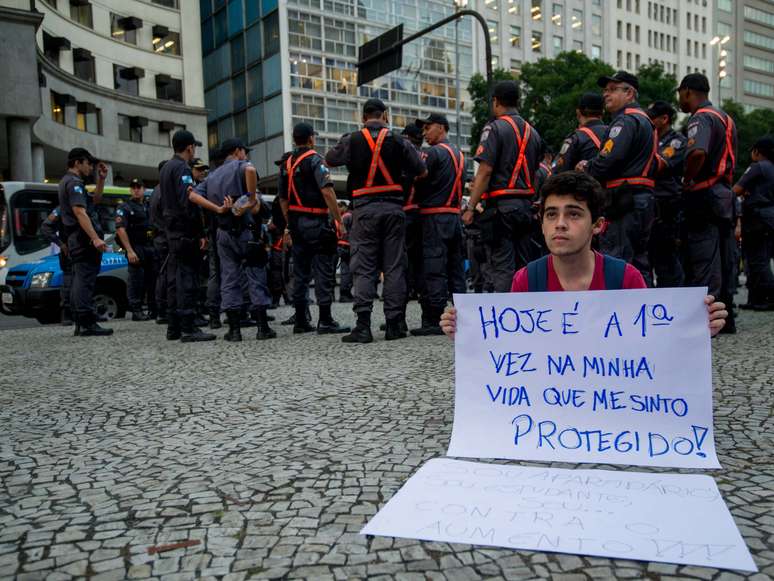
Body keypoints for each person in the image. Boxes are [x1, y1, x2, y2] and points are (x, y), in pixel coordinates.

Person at [441, 172, 728, 338]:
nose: (561, 224)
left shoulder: (625, 279)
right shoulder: (526, 281)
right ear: (541, 224)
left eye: (574, 214)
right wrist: (468, 334)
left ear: (598, 226)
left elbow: (651, 345)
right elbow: (512, 348)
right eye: (551, 215)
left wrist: (695, 331)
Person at [326, 98, 426, 343]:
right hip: (394, 208)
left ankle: (363, 325)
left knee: (364, 267)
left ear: (363, 117)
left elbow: (329, 159)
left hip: (364, 210)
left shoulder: (352, 139)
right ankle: (393, 325)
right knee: (393, 267)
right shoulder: (400, 141)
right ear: (385, 115)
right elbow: (422, 170)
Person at [577, 71, 659, 286]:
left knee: (616, 262)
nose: (606, 94)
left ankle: (616, 315)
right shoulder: (646, 121)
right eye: (605, 90)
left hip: (623, 200)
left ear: (630, 93)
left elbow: (609, 159)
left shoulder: (625, 121)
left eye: (613, 89)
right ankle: (644, 313)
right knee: (640, 263)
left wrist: (587, 167)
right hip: (643, 198)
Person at [462, 80, 543, 292]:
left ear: (496, 102)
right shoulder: (533, 132)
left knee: (502, 265)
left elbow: (485, 171)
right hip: (525, 206)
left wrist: (471, 207)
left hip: (501, 208)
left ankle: (505, 317)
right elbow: (535, 171)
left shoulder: (495, 128)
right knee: (523, 264)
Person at [194, 138, 275, 341]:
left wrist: (218, 208)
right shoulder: (241, 166)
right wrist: (251, 198)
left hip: (223, 233)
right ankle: (262, 327)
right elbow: (249, 169)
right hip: (246, 232)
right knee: (255, 275)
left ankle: (235, 330)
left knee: (229, 279)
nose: (246, 155)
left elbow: (193, 196)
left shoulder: (211, 176)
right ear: (238, 151)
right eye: (244, 152)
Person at [678, 72, 738, 333]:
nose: (680, 98)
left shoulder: (700, 117)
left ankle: (706, 321)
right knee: (725, 259)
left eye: (680, 93)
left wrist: (687, 178)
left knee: (704, 260)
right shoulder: (726, 118)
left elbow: (698, 152)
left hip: (704, 193)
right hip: (724, 194)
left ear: (688, 91)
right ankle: (727, 317)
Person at [278, 122, 349, 334]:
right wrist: (339, 221)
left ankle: (300, 320)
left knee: (300, 273)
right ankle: (325, 320)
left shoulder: (286, 164)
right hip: (316, 223)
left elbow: (282, 199)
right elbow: (327, 192)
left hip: (297, 224)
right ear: (310, 139)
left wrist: (290, 223)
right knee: (324, 270)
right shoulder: (315, 160)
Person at [159, 130, 220, 342]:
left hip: (172, 232)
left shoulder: (166, 167)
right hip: (184, 232)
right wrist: (199, 232)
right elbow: (188, 201)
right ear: (189, 147)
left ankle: (174, 326)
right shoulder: (182, 168)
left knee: (175, 279)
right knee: (188, 279)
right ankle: (188, 327)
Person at [410, 113, 467, 335]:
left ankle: (434, 319)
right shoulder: (459, 154)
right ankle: (463, 313)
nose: (424, 133)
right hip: (453, 217)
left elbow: (417, 176)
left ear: (441, 128)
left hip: (434, 216)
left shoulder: (432, 153)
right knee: (455, 268)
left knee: (433, 267)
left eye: (428, 128)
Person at [58, 147, 112, 336]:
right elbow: (80, 212)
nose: (91, 167)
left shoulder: (72, 182)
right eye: (88, 163)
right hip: (82, 239)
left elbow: (95, 201)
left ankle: (82, 322)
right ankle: (86, 322)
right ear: (77, 163)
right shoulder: (73, 183)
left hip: (78, 239)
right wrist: (95, 238)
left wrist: (102, 179)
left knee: (81, 278)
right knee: (84, 279)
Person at [646, 100, 687, 287]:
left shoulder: (676, 141)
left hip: (667, 204)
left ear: (664, 119)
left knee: (666, 258)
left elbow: (661, 163)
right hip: (650, 203)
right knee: (648, 255)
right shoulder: (649, 138)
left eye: (652, 117)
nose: (648, 120)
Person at [733, 136, 774, 310]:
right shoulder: (772, 168)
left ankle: (768, 298)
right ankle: (756, 299)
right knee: (760, 258)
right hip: (768, 217)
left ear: (757, 151)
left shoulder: (758, 167)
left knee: (757, 260)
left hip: (757, 218)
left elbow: (737, 189)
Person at [115, 178, 156, 320]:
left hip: (150, 246)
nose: (136, 190)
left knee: (152, 279)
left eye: (139, 187)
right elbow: (120, 229)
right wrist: (129, 250)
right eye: (133, 187)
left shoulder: (148, 205)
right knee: (136, 279)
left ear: (144, 189)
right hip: (135, 247)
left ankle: (153, 309)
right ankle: (136, 310)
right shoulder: (125, 207)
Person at [553, 93, 608, 174]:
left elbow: (560, 172)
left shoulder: (576, 137)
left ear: (578, 112)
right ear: (603, 112)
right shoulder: (613, 132)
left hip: (586, 185)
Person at [40, 207, 73, 325]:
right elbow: (46, 227)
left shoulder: (88, 205)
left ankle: (85, 312)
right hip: (69, 251)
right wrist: (61, 244)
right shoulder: (62, 209)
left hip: (85, 250)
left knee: (86, 281)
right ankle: (67, 313)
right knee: (68, 281)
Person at [150, 161, 169, 324]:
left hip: (160, 237)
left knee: (162, 275)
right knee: (166, 275)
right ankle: (164, 310)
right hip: (165, 237)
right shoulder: (164, 190)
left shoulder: (156, 190)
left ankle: (162, 310)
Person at [337, 201, 353, 302]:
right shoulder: (351, 216)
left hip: (343, 245)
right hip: (349, 246)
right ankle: (345, 294)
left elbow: (340, 230)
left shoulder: (345, 216)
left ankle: (345, 293)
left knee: (346, 270)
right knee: (348, 271)